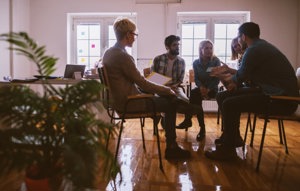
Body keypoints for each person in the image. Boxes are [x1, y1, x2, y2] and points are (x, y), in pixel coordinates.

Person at [205, 22, 299, 160]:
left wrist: (228, 80)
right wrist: (233, 79)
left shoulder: (254, 49)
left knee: (229, 103)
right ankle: (232, 137)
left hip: (281, 100)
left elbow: (241, 76)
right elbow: (246, 75)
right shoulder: (260, 46)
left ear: (243, 36)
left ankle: (228, 150)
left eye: (238, 37)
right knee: (222, 96)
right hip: (272, 93)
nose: (237, 40)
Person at [102, 17, 192, 159]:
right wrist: (166, 90)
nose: (135, 38)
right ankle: (172, 147)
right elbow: (142, 82)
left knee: (167, 98)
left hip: (120, 100)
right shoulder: (123, 56)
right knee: (170, 104)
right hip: (130, 103)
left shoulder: (108, 53)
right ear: (128, 35)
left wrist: (162, 89)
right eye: (135, 35)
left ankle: (180, 106)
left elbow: (138, 82)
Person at [176, 40, 221, 141]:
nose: (209, 50)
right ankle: (202, 128)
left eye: (210, 48)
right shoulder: (196, 63)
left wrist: (208, 89)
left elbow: (216, 79)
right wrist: (201, 87)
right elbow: (196, 78)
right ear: (201, 50)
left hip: (212, 88)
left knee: (195, 96)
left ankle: (189, 121)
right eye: (206, 48)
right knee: (195, 94)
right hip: (201, 88)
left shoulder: (215, 61)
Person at [151, 35, 189, 129]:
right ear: (167, 47)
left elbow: (180, 79)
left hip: (175, 88)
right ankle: (167, 123)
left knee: (187, 102)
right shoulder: (158, 59)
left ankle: (164, 117)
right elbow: (153, 77)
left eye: (178, 45)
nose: (177, 47)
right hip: (161, 88)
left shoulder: (181, 61)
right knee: (171, 101)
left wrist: (174, 86)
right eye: (174, 45)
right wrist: (166, 86)